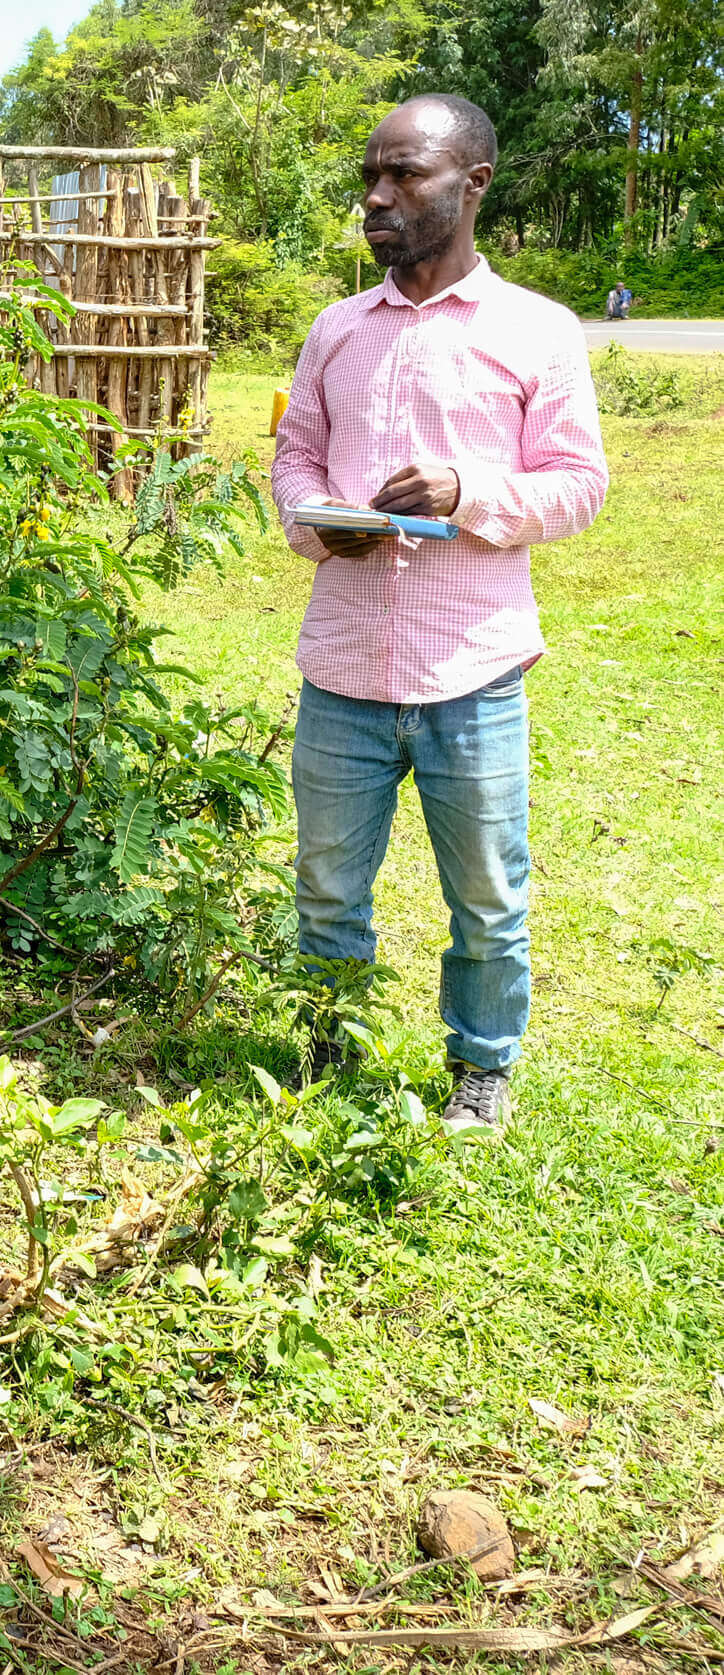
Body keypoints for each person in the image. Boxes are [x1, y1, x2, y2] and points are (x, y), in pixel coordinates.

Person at [274, 94, 608, 1130]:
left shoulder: (536, 331)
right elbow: (293, 462)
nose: (375, 197)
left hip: (474, 670)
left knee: (488, 899)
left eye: (403, 175)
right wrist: (321, 524)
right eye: (369, 177)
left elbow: (577, 485)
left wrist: (466, 493)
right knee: (327, 889)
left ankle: (480, 1069)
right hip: (341, 670)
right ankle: (329, 1051)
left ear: (473, 184)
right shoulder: (335, 331)